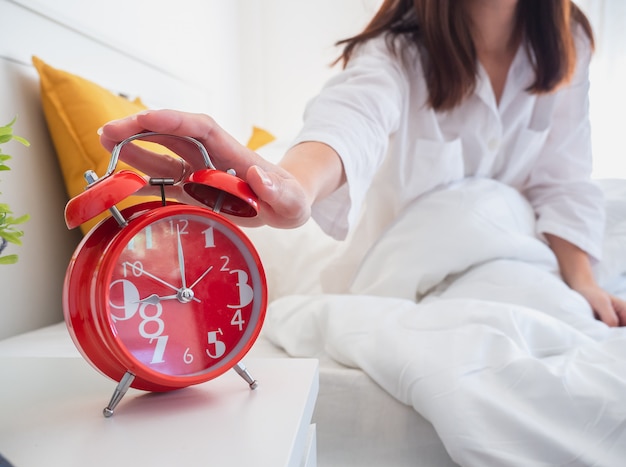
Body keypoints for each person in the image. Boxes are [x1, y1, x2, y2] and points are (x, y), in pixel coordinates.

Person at [99, 0, 626, 327]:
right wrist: (294, 187)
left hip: (511, 247)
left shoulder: (568, 40)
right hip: (401, 260)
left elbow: (563, 177)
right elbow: (348, 123)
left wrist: (582, 280)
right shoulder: (394, 53)